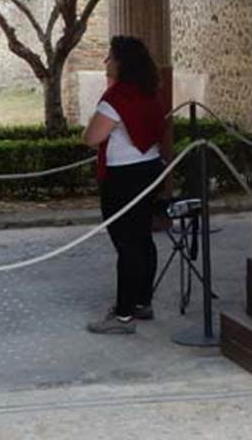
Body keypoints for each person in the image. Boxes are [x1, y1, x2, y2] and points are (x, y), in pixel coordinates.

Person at [82, 35, 166, 334]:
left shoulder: (117, 98)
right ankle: (142, 302)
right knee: (142, 237)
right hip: (149, 169)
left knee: (126, 243)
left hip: (123, 177)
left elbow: (91, 138)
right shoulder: (150, 91)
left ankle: (123, 315)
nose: (106, 62)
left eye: (110, 57)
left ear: (121, 62)